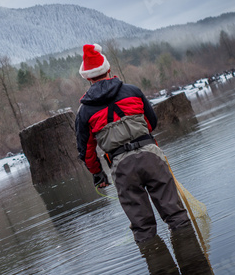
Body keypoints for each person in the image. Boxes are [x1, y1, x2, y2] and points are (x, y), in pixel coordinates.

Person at [75, 43, 191, 243]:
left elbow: (87, 152)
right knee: (177, 216)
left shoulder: (84, 112)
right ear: (108, 69)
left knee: (143, 229)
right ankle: (195, 267)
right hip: (151, 157)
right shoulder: (133, 91)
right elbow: (151, 122)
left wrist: (97, 174)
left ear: (87, 77)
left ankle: (159, 268)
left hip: (122, 168)